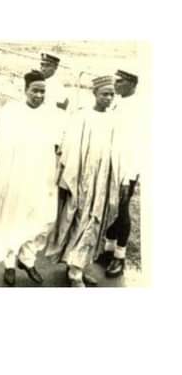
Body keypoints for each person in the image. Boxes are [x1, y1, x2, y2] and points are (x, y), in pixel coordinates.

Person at [0, 71, 61, 286]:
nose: (39, 95)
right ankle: (10, 264)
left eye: (42, 91)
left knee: (38, 216)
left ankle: (28, 259)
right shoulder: (12, 112)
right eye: (35, 91)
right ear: (25, 90)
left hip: (41, 172)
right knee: (12, 216)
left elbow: (58, 143)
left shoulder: (51, 114)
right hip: (15, 172)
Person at [45, 75, 129, 287]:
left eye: (111, 94)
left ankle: (78, 267)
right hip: (83, 178)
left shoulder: (115, 120)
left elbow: (119, 152)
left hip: (103, 181)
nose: (108, 98)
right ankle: (74, 271)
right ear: (95, 94)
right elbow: (70, 148)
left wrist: (122, 180)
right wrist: (70, 177)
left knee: (95, 222)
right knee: (79, 220)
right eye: (104, 94)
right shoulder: (83, 117)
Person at [102, 70, 140, 278]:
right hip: (112, 164)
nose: (116, 84)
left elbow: (134, 146)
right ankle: (108, 250)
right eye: (115, 80)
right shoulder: (118, 102)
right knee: (111, 207)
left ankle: (120, 256)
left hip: (127, 168)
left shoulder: (137, 109)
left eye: (121, 81)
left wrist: (127, 177)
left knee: (122, 210)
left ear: (132, 83)